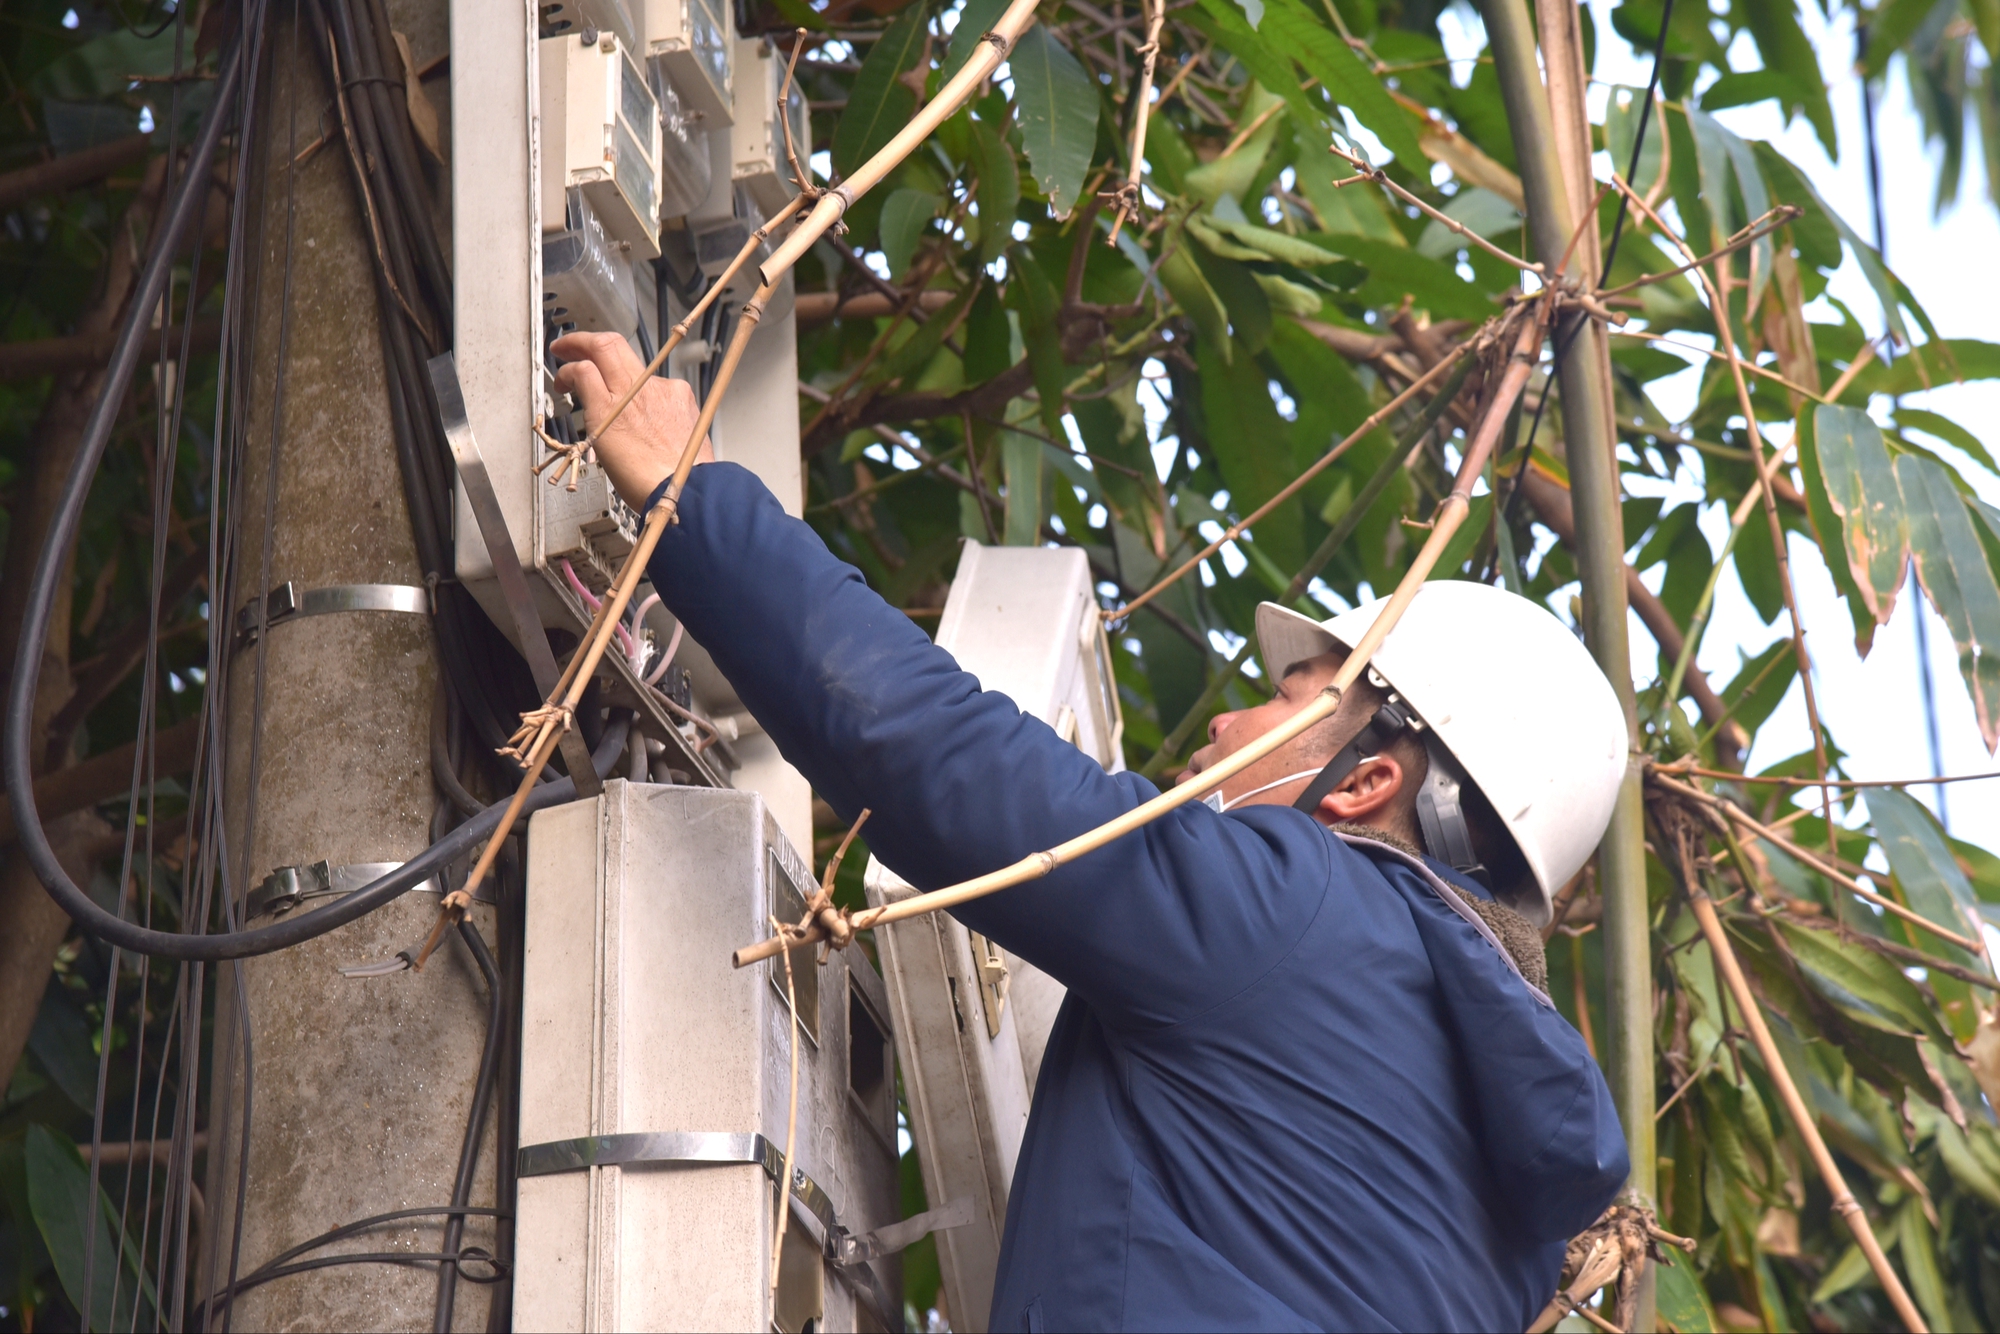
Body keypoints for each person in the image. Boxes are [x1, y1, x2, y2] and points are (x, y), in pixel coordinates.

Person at [552, 331, 1631, 1332]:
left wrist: (688, 495)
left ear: (1365, 781)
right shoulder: (1515, 1232)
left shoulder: (1295, 910)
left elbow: (937, 759)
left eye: (1284, 695)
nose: (1221, 720)